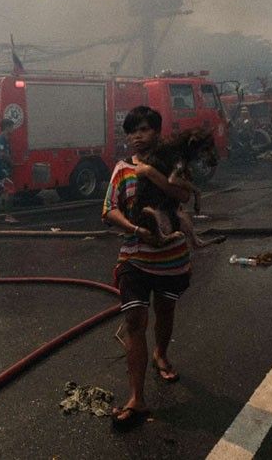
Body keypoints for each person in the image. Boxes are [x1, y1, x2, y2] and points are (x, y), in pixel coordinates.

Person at [101, 106, 192, 431]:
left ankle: (161, 354)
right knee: (135, 321)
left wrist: (153, 175)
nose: (137, 137)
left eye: (143, 129)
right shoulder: (121, 169)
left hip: (171, 258)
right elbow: (109, 209)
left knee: (165, 312)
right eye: (131, 131)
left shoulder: (173, 164)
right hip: (135, 258)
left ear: (157, 131)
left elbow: (185, 193)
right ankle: (136, 397)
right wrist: (137, 230)